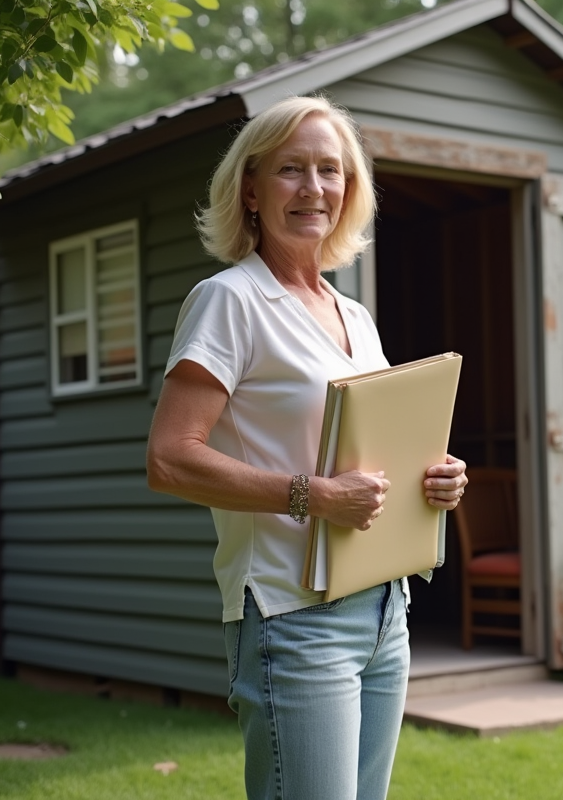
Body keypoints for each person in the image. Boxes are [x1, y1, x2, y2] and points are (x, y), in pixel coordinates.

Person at [146, 95, 468, 800]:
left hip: (386, 610)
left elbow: (371, 455)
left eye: (331, 170)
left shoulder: (354, 315)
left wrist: (433, 479)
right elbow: (169, 457)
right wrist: (312, 496)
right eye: (292, 169)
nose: (314, 188)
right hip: (294, 617)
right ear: (252, 189)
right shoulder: (228, 301)